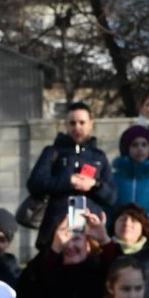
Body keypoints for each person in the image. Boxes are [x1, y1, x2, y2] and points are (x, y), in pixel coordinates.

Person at [28, 102, 115, 251]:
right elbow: (35, 183)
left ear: (90, 124)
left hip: (89, 234)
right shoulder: (52, 152)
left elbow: (112, 196)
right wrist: (68, 182)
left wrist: (94, 185)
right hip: (56, 230)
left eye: (82, 122)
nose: (77, 127)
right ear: (66, 125)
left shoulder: (99, 157)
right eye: (72, 123)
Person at [104, 203, 149, 291]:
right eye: (122, 219)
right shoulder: (102, 249)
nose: (127, 223)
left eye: (134, 220)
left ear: (143, 227)